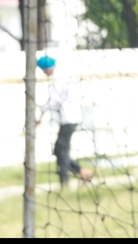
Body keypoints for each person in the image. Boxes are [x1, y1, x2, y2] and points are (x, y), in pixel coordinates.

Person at [36, 55, 93, 188]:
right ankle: (81, 171)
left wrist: (41, 109)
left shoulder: (59, 77)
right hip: (68, 118)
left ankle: (66, 182)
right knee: (59, 151)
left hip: (69, 119)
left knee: (61, 151)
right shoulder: (63, 74)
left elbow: (54, 100)